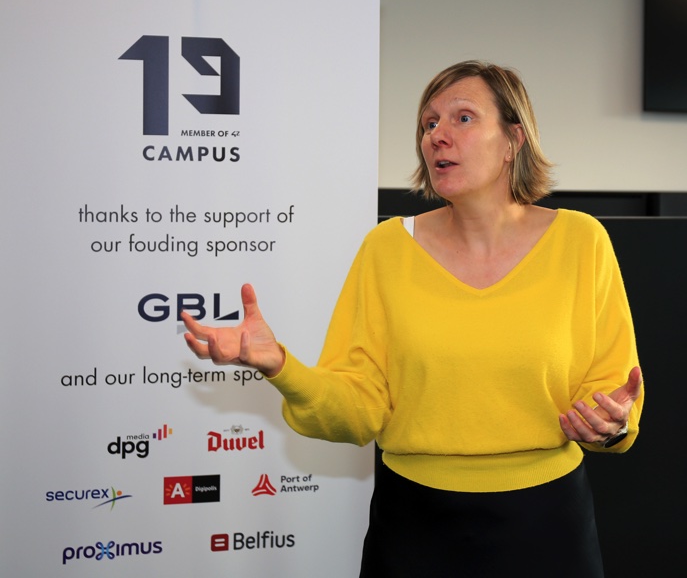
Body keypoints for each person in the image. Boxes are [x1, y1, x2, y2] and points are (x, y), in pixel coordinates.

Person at [182, 60, 644, 577]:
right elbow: (358, 409)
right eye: (429, 123)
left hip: (548, 524)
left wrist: (609, 424)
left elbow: (613, 390)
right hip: (415, 527)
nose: (437, 136)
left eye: (462, 118)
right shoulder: (387, 248)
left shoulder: (582, 241)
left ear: (513, 139)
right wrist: (281, 367)